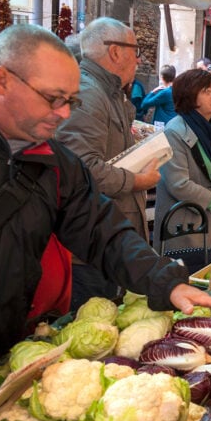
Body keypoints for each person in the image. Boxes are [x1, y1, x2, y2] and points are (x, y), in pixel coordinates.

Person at [0, 24, 211, 372]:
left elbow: (102, 229)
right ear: (2, 80)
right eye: (54, 99)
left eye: (71, 101)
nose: (65, 113)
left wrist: (165, 281)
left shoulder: (56, 162)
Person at [55, 17, 161, 310]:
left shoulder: (108, 92)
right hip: (89, 247)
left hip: (106, 241)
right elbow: (81, 168)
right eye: (135, 50)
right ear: (115, 52)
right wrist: (138, 180)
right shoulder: (89, 93)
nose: (138, 59)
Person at [153, 69, 211, 262]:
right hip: (185, 228)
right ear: (190, 97)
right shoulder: (174, 132)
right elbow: (179, 184)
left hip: (210, 224)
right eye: (206, 91)